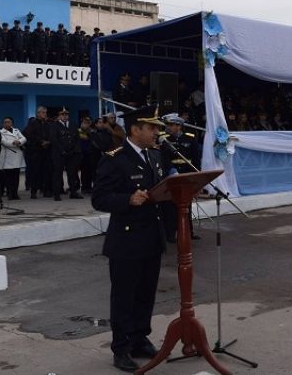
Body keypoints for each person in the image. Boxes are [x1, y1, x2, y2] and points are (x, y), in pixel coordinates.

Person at [91, 104, 168, 373]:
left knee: (146, 293)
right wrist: (127, 199)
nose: (157, 132)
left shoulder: (155, 156)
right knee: (124, 296)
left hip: (151, 237)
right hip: (126, 241)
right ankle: (121, 348)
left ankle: (139, 338)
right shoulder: (114, 158)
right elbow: (99, 199)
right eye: (152, 128)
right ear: (135, 129)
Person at [159, 115, 201, 242]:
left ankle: (189, 232)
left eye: (171, 125)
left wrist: (197, 179)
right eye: (168, 125)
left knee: (186, 205)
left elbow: (196, 159)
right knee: (170, 206)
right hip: (171, 176)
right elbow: (163, 158)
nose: (169, 128)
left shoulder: (190, 138)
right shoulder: (164, 139)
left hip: (186, 176)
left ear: (179, 126)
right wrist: (171, 171)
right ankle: (170, 234)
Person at [49, 107, 82, 201]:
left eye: (66, 114)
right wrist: (62, 150)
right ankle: (56, 194)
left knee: (72, 173)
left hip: (71, 153)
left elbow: (77, 139)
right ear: (59, 116)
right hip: (59, 154)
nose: (64, 116)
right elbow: (54, 139)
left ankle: (73, 192)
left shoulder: (73, 124)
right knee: (57, 174)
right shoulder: (54, 125)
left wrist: (74, 150)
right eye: (62, 114)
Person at [23, 106, 52, 199]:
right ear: (38, 113)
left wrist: (48, 141)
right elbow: (30, 135)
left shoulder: (48, 124)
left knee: (46, 171)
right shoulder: (32, 123)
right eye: (43, 112)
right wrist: (41, 142)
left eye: (45, 112)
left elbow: (51, 134)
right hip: (35, 151)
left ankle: (46, 190)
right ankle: (33, 191)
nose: (45, 114)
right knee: (35, 172)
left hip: (46, 151)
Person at [0, 117, 26, 199]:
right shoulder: (1, 132)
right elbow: (3, 142)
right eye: (5, 122)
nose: (7, 123)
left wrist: (20, 142)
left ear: (12, 123)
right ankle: (10, 193)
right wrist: (14, 142)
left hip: (17, 156)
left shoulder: (16, 130)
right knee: (8, 178)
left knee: (16, 177)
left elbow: (24, 138)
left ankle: (15, 193)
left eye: (9, 122)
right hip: (8, 157)